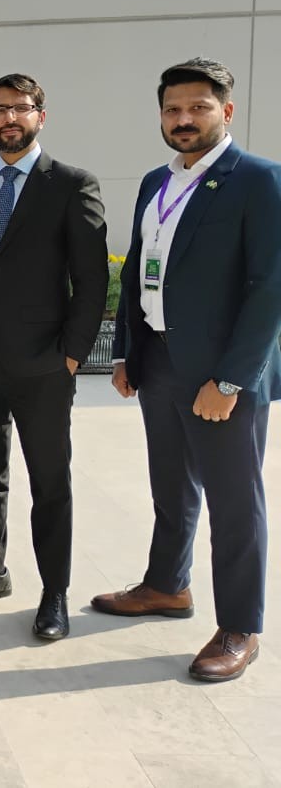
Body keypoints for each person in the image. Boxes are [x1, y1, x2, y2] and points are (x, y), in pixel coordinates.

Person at [94, 58, 281, 682]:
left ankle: (240, 627)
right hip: (159, 362)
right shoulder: (157, 181)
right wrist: (126, 352)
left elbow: (270, 290)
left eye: (198, 108)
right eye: (173, 109)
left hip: (221, 376)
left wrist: (231, 380)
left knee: (235, 502)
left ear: (225, 111)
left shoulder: (259, 179)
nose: (184, 119)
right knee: (171, 485)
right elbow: (139, 268)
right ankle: (167, 586)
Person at [0, 74, 107, 640]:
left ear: (41, 115)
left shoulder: (72, 184)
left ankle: (54, 592)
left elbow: (91, 278)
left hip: (44, 365)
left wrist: (72, 355)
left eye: (20, 108)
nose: (9, 118)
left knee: (49, 482)